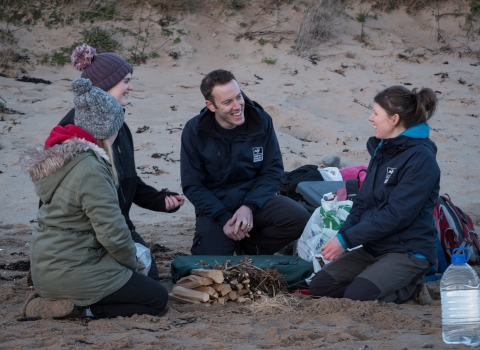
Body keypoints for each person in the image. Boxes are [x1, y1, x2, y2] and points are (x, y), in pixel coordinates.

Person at [20, 78, 168, 319]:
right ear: (108, 128)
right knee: (156, 298)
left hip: (49, 265)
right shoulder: (91, 168)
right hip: (72, 268)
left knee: (141, 278)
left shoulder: (67, 155)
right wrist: (133, 263)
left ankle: (57, 296)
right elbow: (112, 231)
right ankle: (80, 309)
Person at [57, 44, 185, 280]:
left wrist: (159, 200)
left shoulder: (120, 127)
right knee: (143, 287)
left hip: (119, 226)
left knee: (151, 275)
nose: (131, 86)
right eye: (125, 81)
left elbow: (126, 179)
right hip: (83, 234)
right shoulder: (73, 130)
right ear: (105, 85)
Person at [309, 86, 440, 303]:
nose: (371, 118)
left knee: (358, 296)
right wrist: (342, 237)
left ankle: (411, 286)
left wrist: (347, 239)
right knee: (320, 286)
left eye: (376, 113)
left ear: (395, 119)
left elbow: (396, 214)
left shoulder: (421, 159)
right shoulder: (384, 150)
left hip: (408, 250)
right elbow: (361, 204)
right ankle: (376, 279)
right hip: (375, 246)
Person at [180, 69, 310, 255]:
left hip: (256, 200)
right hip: (216, 207)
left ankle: (249, 248)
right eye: (227, 102)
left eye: (238, 97)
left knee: (297, 217)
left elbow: (272, 171)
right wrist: (224, 218)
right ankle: (225, 241)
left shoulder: (261, 120)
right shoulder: (194, 130)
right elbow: (192, 185)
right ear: (211, 106)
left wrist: (248, 206)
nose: (237, 106)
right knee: (209, 264)